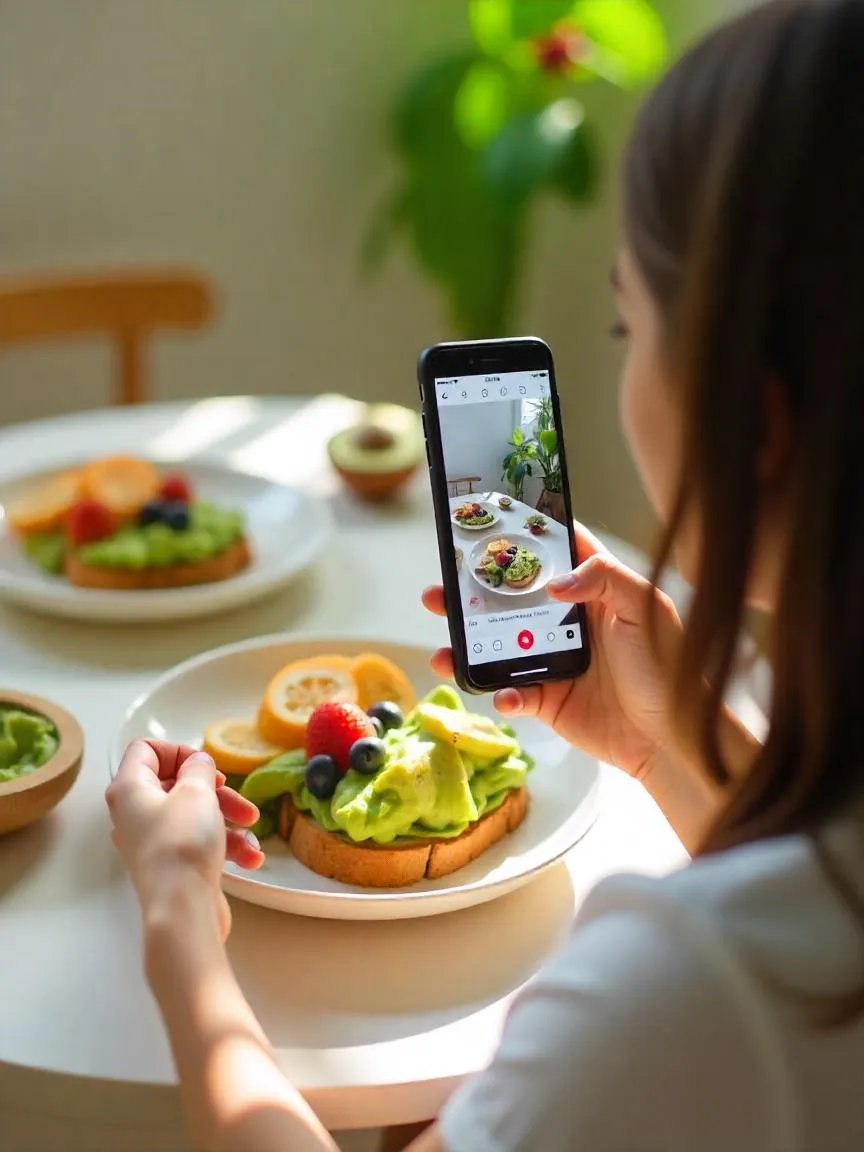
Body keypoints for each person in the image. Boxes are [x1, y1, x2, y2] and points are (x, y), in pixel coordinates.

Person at [106, 1, 864, 1149]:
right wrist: (669, 746)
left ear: (750, 418)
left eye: (625, 326)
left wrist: (176, 929)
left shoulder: (683, 996)